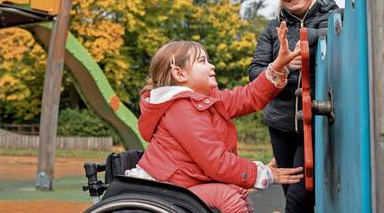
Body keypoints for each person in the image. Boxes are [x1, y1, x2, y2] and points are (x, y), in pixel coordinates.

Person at [125, 21, 303, 213]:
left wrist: (278, 66)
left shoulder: (207, 100)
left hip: (184, 182)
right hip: (165, 188)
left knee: (236, 189)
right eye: (202, 61)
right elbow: (216, 162)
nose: (211, 65)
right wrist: (264, 173)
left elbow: (248, 97)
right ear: (179, 73)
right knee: (227, 197)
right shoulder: (180, 108)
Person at [248, 0, 340, 213]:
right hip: (282, 123)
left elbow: (342, 39)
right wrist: (284, 67)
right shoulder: (272, 28)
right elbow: (255, 73)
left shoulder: (334, 17)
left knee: (300, 197)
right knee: (292, 193)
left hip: (321, 119)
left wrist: (309, 38)